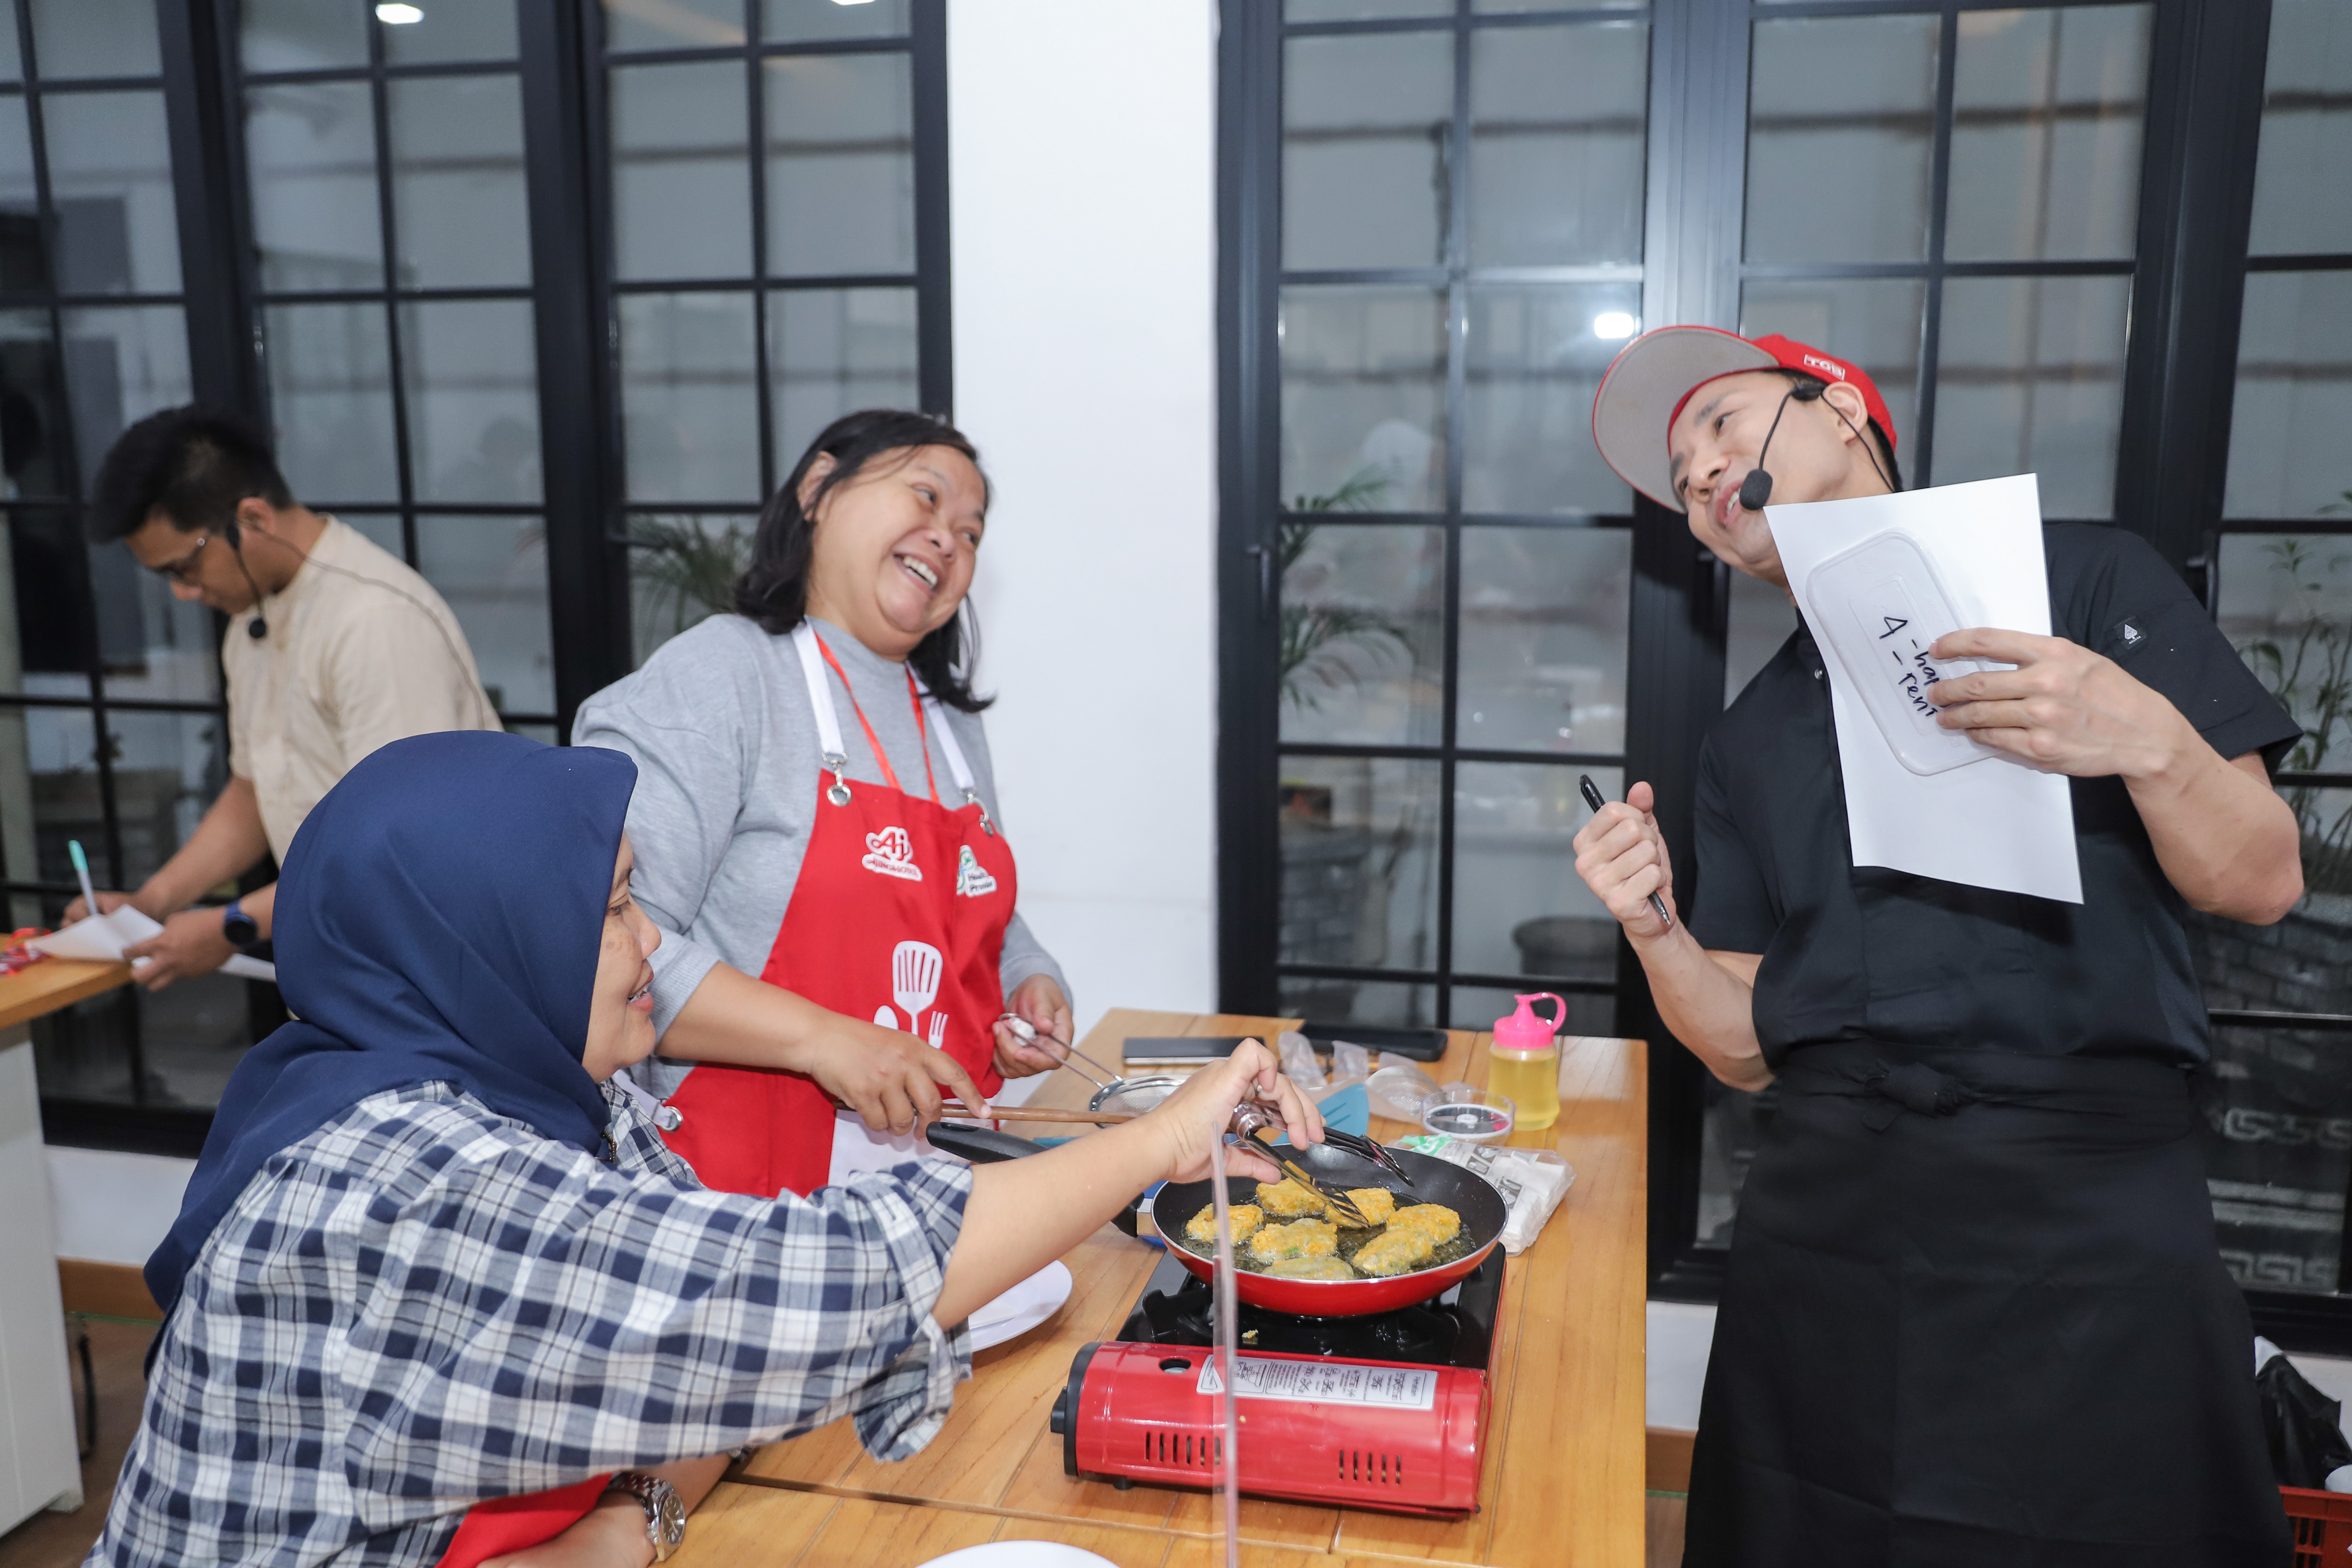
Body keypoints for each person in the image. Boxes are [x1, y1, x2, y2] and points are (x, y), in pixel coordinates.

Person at [89, 730, 1318, 1568]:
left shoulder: (557, 1093)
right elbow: (803, 1293)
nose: (652, 946)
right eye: (615, 908)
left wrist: (635, 1518)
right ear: (487, 940)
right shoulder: (393, 1181)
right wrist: (1160, 1136)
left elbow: (713, 1348)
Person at [1582, 327, 2301, 1564]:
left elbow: (2265, 880)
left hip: (2085, 1206)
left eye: (1721, 423)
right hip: (1825, 1227)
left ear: (1840, 409)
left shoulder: (2082, 584)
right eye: (1678, 474)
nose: (1696, 471)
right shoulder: (1747, 738)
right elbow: (1746, 1045)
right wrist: (1654, 927)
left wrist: (2146, 737)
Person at [574, 409, 1073, 1202]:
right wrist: (826, 1041)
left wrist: (1030, 978)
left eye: (972, 533)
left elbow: (979, 914)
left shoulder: (950, 723)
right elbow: (607, 950)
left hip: (933, 1182)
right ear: (819, 489)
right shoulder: (723, 674)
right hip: (742, 1194)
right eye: (926, 496)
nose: (949, 539)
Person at [71, 407, 500, 987]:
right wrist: (149, 904)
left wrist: (231, 926)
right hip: (344, 963)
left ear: (253, 518)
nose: (183, 593)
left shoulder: (374, 622)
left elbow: (399, 844)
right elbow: (255, 789)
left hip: (435, 967)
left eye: (186, 566)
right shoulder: (252, 616)